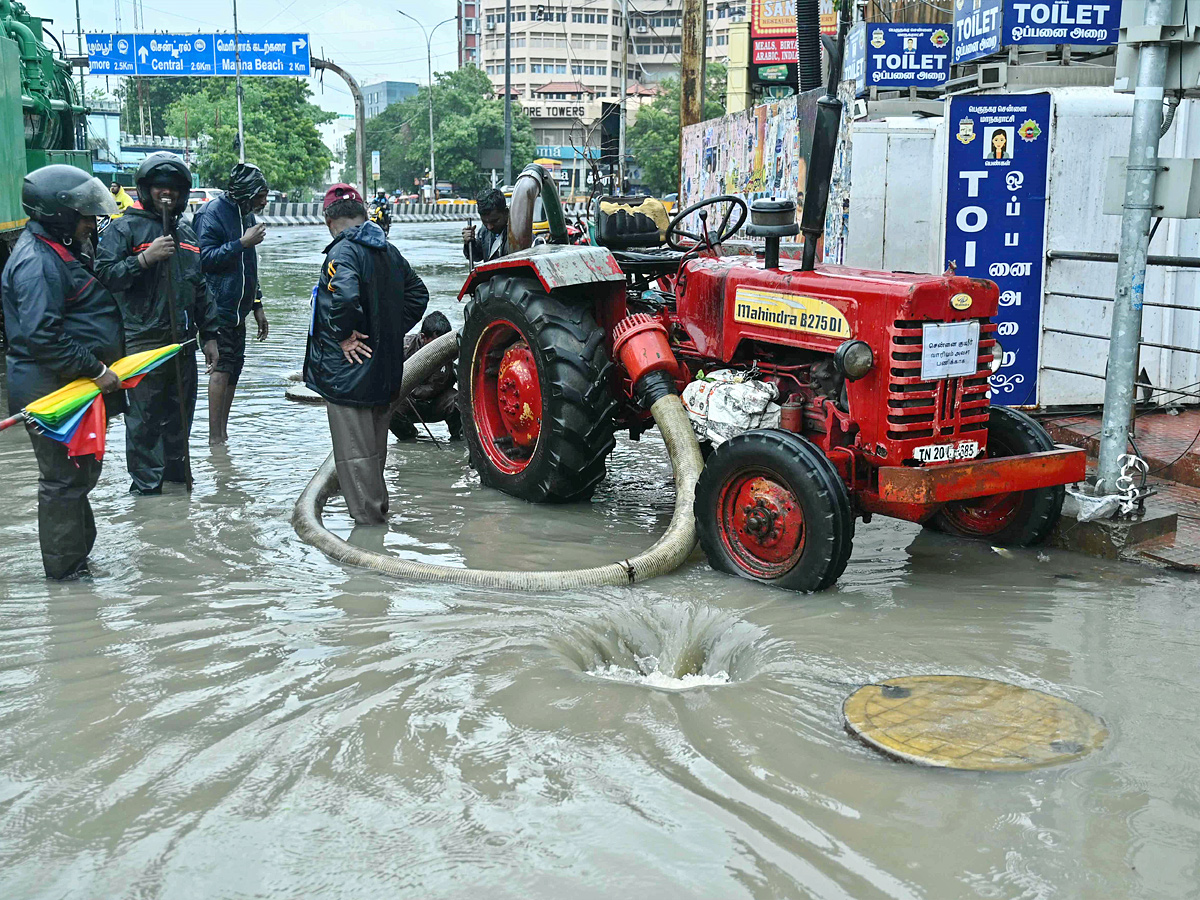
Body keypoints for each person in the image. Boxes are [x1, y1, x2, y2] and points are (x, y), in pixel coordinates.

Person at [1, 165, 122, 579]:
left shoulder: (59, 249)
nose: (91, 223)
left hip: (70, 388)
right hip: (51, 392)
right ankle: (67, 578)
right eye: (85, 215)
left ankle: (77, 562)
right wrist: (97, 368)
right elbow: (42, 336)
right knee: (62, 482)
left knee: (79, 475)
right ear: (60, 215)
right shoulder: (37, 262)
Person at [303, 184, 429, 525]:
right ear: (363, 214)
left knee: (355, 456)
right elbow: (419, 295)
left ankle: (369, 530)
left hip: (350, 373)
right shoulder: (388, 251)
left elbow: (343, 298)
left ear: (328, 219)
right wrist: (386, 331)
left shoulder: (342, 254)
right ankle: (378, 514)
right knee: (373, 451)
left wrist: (346, 336)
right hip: (384, 371)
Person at [96, 152, 219, 494]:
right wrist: (144, 259)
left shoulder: (185, 231)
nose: (167, 195)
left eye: (173, 190)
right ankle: (147, 495)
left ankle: (178, 488)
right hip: (141, 343)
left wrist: (210, 336)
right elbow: (104, 276)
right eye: (159, 189)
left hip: (181, 343)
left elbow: (200, 287)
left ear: (182, 193)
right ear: (146, 189)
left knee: (180, 418)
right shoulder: (124, 227)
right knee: (145, 423)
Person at [196, 162, 271, 444]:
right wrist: (241, 242)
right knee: (222, 367)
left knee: (234, 367)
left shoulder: (246, 215)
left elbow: (249, 265)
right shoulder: (212, 214)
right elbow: (203, 259)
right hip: (217, 305)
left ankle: (222, 435)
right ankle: (215, 439)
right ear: (243, 193)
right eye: (258, 195)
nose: (263, 201)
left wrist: (257, 303)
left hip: (239, 307)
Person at [390, 311, 460, 441]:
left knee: (459, 401)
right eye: (436, 343)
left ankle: (459, 441)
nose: (441, 348)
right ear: (423, 337)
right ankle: (410, 439)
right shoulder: (403, 348)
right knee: (389, 407)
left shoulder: (453, 348)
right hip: (412, 402)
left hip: (438, 401)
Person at [462, 188, 509, 262]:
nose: (489, 227)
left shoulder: (519, 234)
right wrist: (469, 243)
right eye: (485, 222)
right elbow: (476, 257)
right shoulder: (484, 231)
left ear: (506, 213)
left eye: (494, 221)